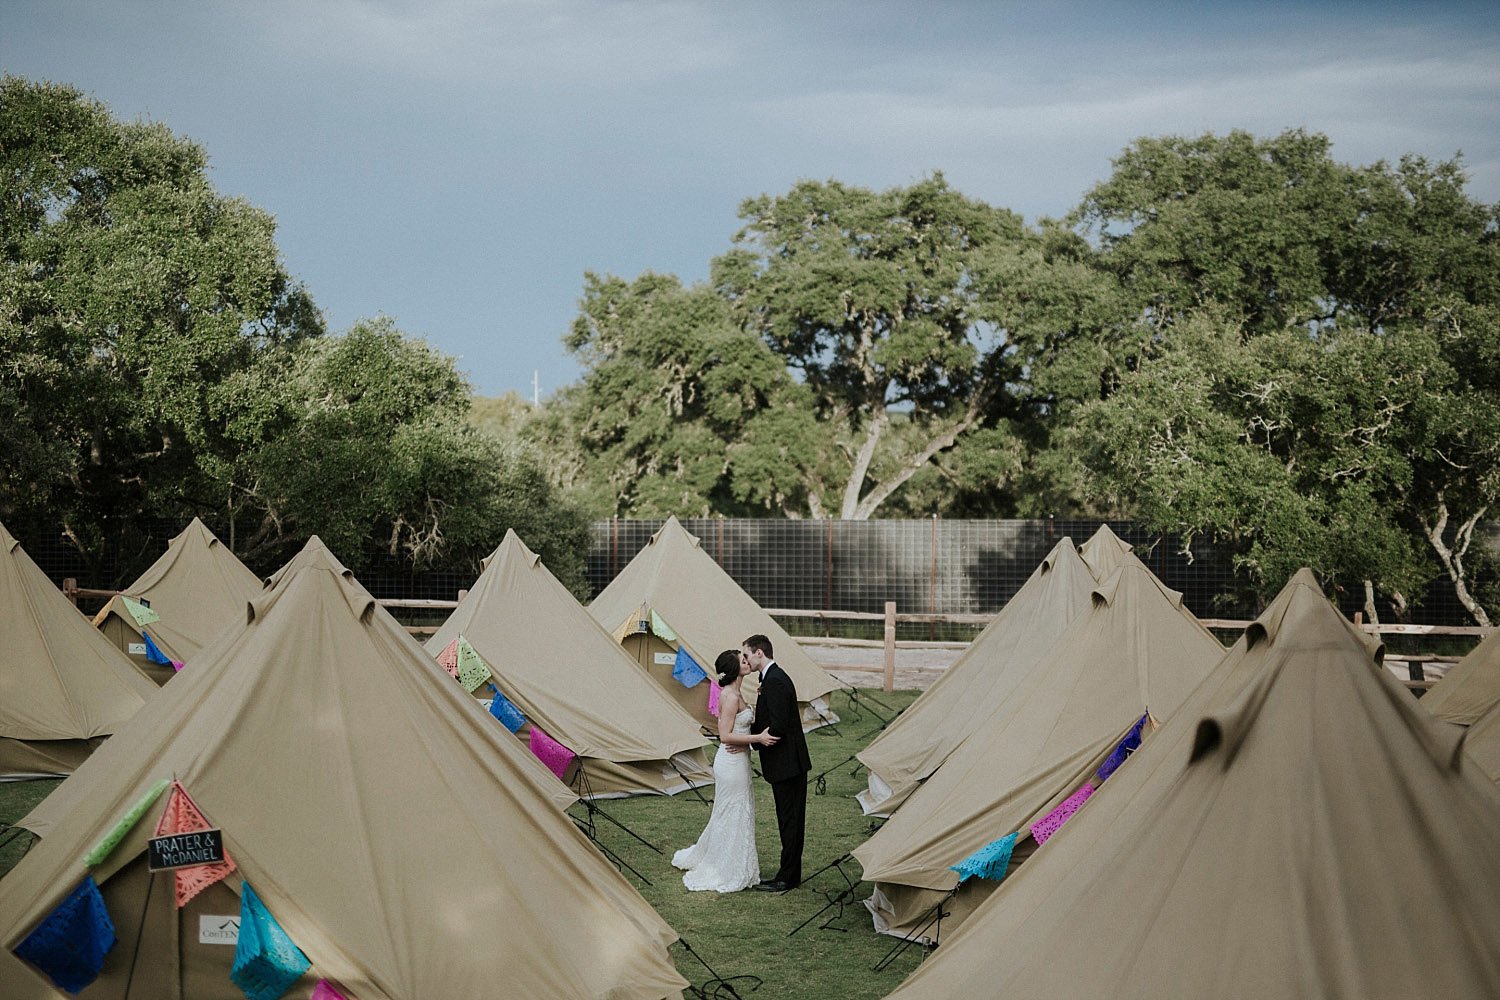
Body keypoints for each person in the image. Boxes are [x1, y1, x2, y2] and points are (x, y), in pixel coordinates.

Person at [672, 649, 779, 892]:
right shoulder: (730, 697)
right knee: (732, 812)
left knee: (737, 810)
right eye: (743, 661)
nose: (748, 662)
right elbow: (725, 735)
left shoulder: (736, 692)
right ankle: (725, 867)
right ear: (734, 670)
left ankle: (734, 862)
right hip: (730, 763)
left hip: (739, 761)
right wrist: (759, 738)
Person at [743, 634, 810, 891]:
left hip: (788, 764)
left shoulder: (776, 681)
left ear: (760, 653)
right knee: (787, 819)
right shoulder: (771, 679)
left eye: (747, 655)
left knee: (790, 820)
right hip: (785, 764)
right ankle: (788, 872)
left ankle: (787, 877)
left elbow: (779, 724)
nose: (746, 661)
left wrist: (753, 740)